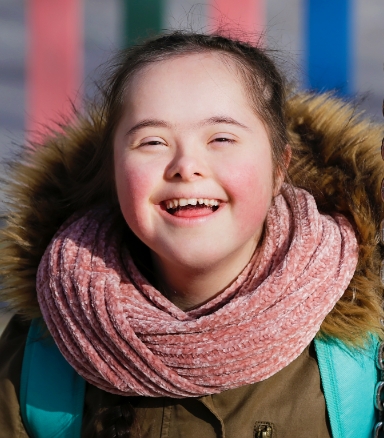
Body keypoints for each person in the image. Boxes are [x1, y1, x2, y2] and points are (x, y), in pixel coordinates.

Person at [0, 31, 383, 438]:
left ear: (278, 169)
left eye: (221, 138)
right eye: (152, 141)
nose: (186, 165)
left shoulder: (364, 340)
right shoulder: (50, 340)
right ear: (113, 171)